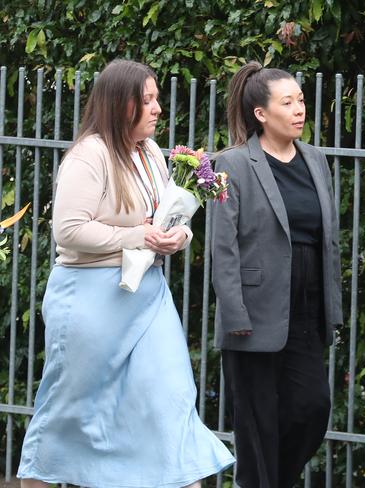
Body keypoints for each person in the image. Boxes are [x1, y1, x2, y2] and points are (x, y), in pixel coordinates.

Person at [17, 59, 234, 488]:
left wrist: (179, 237)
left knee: (171, 399)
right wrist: (139, 236)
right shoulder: (89, 154)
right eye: (147, 100)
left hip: (147, 295)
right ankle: (37, 477)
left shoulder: (151, 152)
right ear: (120, 104)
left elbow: (165, 217)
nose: (157, 108)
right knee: (68, 412)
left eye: (157, 99)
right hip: (90, 299)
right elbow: (69, 229)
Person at [210, 61, 342, 488]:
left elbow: (327, 239)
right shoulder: (231, 163)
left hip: (305, 312)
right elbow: (223, 246)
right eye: (287, 102)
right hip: (252, 313)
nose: (299, 109)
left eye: (300, 100)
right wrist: (234, 314)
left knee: (311, 410)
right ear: (261, 114)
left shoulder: (316, 160)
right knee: (257, 428)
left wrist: (331, 307)